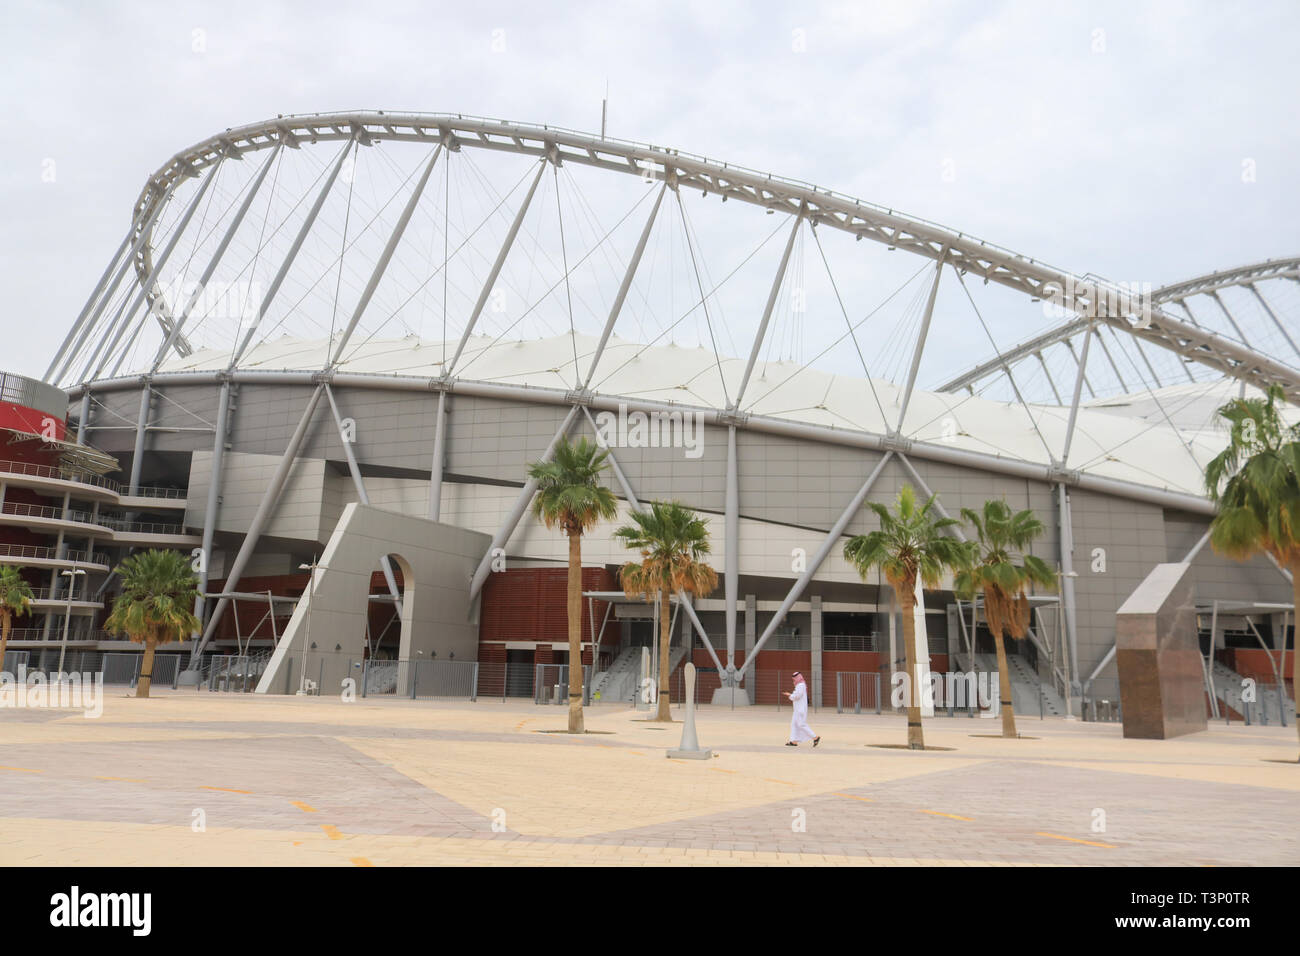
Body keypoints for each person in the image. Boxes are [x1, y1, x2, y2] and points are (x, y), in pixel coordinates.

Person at [785, 671, 820, 747]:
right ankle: (793, 741)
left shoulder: (801, 685)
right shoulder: (799, 685)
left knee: (801, 724)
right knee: (794, 724)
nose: (793, 680)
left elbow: (797, 696)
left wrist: (790, 695)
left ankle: (815, 737)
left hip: (800, 709)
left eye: (794, 678)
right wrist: (791, 695)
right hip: (797, 709)